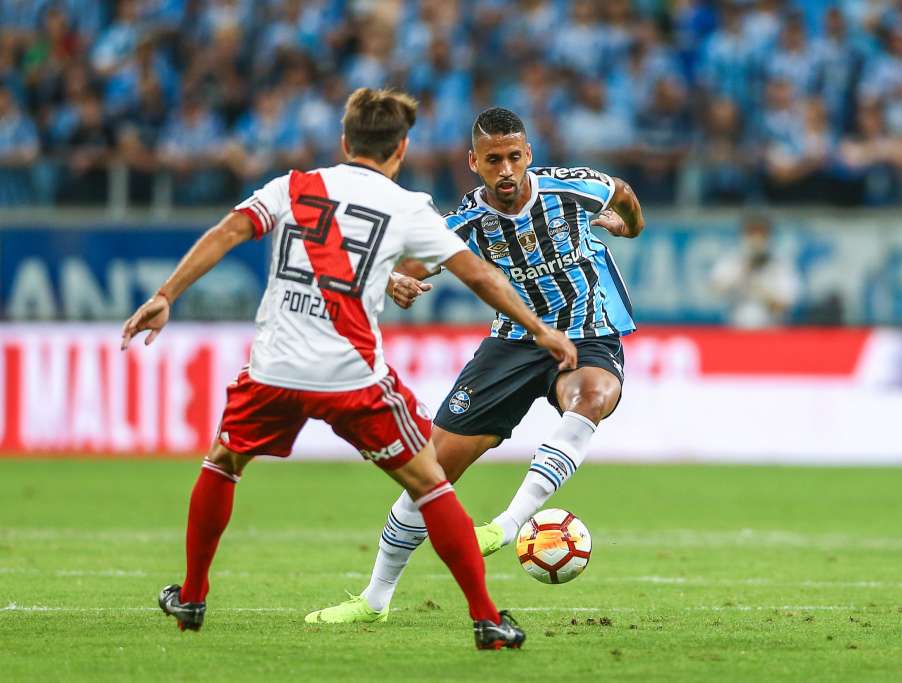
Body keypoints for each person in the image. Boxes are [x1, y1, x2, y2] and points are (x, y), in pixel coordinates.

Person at [120, 89, 579, 650]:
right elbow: (481, 277)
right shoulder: (409, 206)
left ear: (344, 142)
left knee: (223, 462)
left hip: (275, 372)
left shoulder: (293, 187)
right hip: (353, 378)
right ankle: (486, 618)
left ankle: (191, 595)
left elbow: (227, 233)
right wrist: (541, 330)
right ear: (401, 148)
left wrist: (167, 294)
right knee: (431, 486)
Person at [306, 107, 644, 625]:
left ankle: (509, 525)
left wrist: (630, 227)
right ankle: (373, 600)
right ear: (474, 163)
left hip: (586, 331)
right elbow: (409, 264)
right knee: (430, 473)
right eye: (493, 160)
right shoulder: (464, 222)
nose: (506, 169)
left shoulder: (573, 189)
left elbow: (622, 191)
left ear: (528, 155)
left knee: (593, 396)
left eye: (514, 157)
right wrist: (395, 281)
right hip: (512, 343)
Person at [710, 213, 799, 328]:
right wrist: (744, 269)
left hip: (771, 332)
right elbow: (716, 289)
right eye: (752, 232)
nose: (756, 238)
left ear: (768, 235)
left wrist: (762, 292)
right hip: (736, 330)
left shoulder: (781, 264)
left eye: (761, 233)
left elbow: (785, 305)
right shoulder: (733, 260)